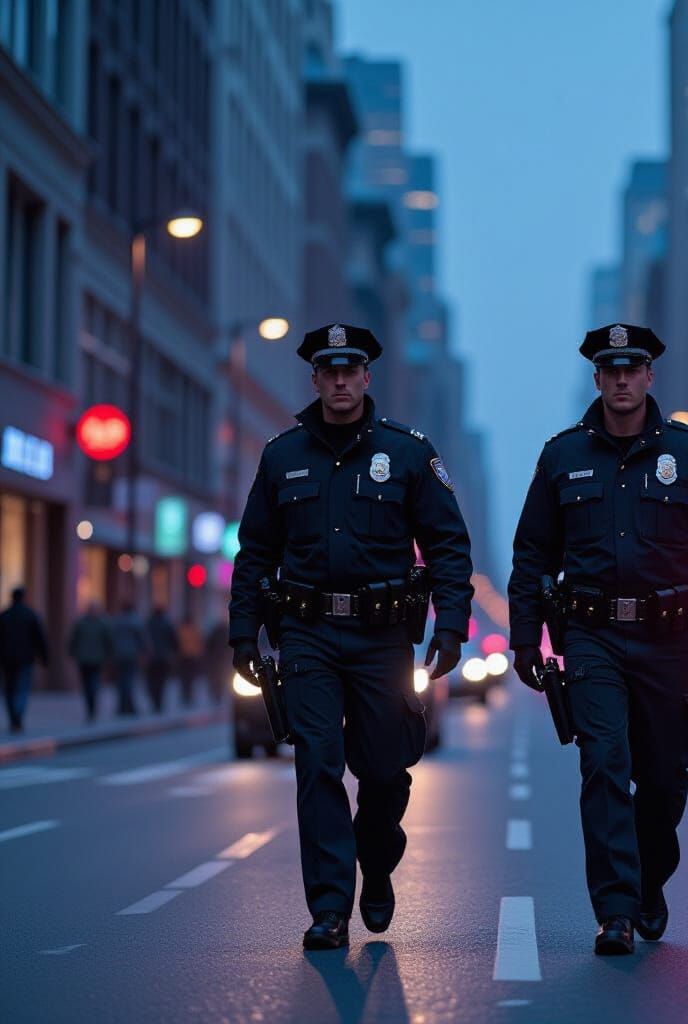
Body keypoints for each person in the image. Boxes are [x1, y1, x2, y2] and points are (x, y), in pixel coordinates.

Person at [509, 323, 688, 956]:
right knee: (604, 765)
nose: (622, 378)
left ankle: (649, 882)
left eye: (634, 367)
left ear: (650, 376)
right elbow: (532, 554)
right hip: (591, 639)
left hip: (666, 641)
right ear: (597, 378)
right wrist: (524, 639)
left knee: (666, 775)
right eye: (610, 368)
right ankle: (615, 910)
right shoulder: (562, 456)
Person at [229, 322, 473, 951]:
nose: (340, 380)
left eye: (351, 369)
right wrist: (242, 634)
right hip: (307, 634)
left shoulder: (410, 453)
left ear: (367, 377)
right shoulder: (282, 456)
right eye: (328, 370)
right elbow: (255, 551)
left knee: (386, 770)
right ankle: (330, 909)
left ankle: (378, 862)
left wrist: (452, 624)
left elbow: (447, 544)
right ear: (315, 379)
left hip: (381, 637)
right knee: (317, 764)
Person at [0, 586, 48, 734]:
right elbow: (39, 638)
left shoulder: (5, 615)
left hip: (7, 658)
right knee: (22, 688)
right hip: (25, 658)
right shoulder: (30, 615)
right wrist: (44, 657)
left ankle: (14, 717)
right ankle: (17, 716)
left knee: (9, 689)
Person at [67, 602, 113, 723]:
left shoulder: (90, 623)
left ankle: (91, 707)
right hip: (89, 659)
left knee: (90, 683)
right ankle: (91, 707)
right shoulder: (99, 623)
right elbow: (74, 640)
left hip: (91, 659)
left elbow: (108, 641)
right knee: (90, 683)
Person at [109, 602, 147, 716]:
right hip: (131, 654)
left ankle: (122, 706)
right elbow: (142, 638)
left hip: (119, 654)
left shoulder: (117, 621)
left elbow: (111, 637)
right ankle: (128, 706)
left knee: (121, 680)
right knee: (129, 680)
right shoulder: (135, 621)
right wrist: (144, 651)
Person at [144, 607, 178, 713]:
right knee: (161, 681)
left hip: (151, 657)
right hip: (163, 657)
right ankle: (159, 702)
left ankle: (155, 700)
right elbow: (174, 641)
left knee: (151, 680)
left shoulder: (148, 624)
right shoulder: (167, 624)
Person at [176, 613, 204, 707]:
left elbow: (177, 643)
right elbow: (199, 643)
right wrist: (199, 654)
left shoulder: (180, 630)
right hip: (192, 657)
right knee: (191, 678)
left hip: (183, 657)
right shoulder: (194, 629)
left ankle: (185, 696)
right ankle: (190, 696)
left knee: (184, 678)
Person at [204, 617, 231, 704]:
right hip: (221, 660)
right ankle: (219, 696)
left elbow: (208, 645)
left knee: (218, 679)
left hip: (218, 660)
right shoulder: (226, 631)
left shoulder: (217, 631)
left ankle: (218, 696)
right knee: (220, 679)